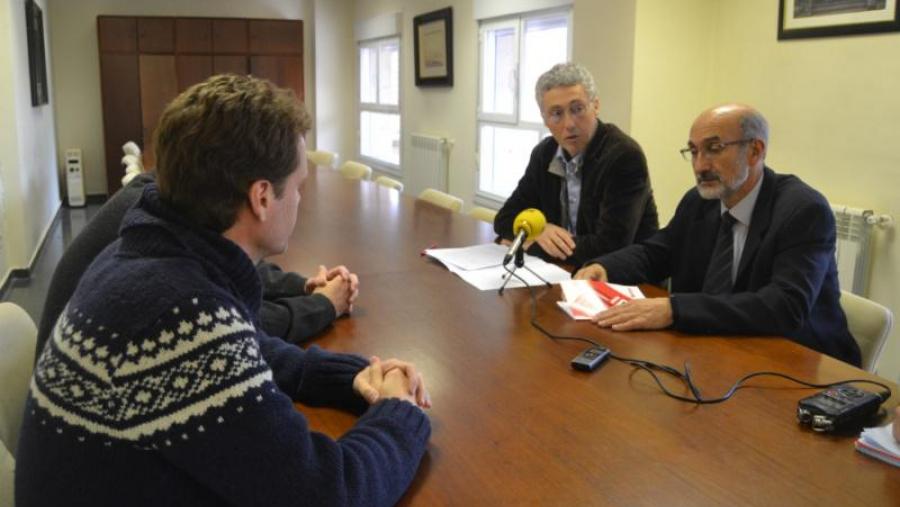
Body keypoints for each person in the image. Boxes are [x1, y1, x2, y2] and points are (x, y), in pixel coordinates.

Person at [16, 74, 431, 506]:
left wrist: (356, 377)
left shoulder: (143, 256)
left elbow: (245, 350)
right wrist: (398, 411)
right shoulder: (177, 313)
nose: (301, 201)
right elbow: (331, 493)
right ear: (262, 197)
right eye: (299, 186)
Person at [574, 104, 861, 366]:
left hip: (802, 364)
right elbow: (657, 252)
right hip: (719, 352)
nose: (700, 165)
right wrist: (604, 266)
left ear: (755, 151)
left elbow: (785, 306)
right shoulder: (700, 201)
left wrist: (674, 309)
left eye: (714, 148)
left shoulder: (803, 211)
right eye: (694, 151)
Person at [33, 169, 355, 362]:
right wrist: (322, 306)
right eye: (297, 187)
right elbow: (231, 325)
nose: (298, 197)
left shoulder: (164, 198)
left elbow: (228, 262)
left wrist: (300, 285)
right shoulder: (158, 233)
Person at [493, 62, 658, 266]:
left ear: (595, 106)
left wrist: (529, 244)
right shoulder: (544, 153)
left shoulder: (624, 156)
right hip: (565, 270)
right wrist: (540, 230)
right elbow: (504, 218)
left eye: (577, 109)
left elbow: (611, 246)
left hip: (627, 281)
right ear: (545, 119)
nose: (569, 124)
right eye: (556, 113)